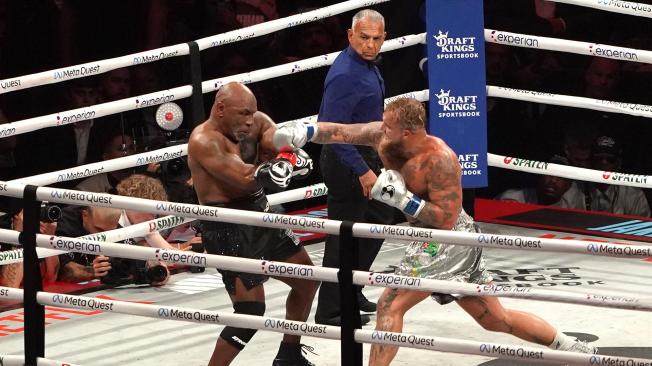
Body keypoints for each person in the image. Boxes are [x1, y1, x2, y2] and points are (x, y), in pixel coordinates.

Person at [273, 97, 598, 365]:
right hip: (431, 237)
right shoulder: (384, 138)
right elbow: (341, 133)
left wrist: (403, 200)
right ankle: (570, 347)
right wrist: (306, 130)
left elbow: (445, 218)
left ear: (410, 132)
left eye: (389, 126)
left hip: (448, 238)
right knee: (494, 320)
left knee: (390, 304)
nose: (381, 129)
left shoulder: (440, 160)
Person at [187, 82, 318, 366]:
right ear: (220, 109)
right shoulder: (203, 140)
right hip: (227, 224)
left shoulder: (254, 122)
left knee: (306, 281)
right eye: (243, 114)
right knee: (250, 311)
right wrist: (279, 166)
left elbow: (275, 137)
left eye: (252, 113)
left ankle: (289, 356)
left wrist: (287, 152)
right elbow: (244, 178)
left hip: (260, 212)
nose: (249, 121)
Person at [314, 8, 395, 327]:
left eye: (376, 39)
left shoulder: (368, 66)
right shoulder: (346, 74)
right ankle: (331, 310)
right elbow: (329, 130)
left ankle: (352, 287)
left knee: (380, 218)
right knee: (344, 237)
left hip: (367, 155)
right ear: (350, 36)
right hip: (345, 160)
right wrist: (362, 170)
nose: (370, 44)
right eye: (364, 38)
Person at [56, 205, 121, 282]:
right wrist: (93, 272)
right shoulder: (64, 224)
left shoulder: (110, 224)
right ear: (85, 215)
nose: (104, 237)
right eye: (99, 230)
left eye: (109, 232)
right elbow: (62, 270)